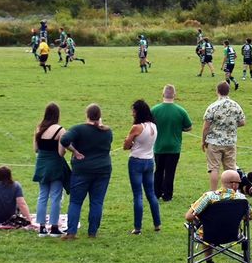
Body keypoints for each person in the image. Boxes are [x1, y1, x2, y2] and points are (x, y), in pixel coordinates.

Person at [61, 104, 114, 239]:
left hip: (82, 170)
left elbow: (64, 139)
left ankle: (71, 232)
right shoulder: (107, 131)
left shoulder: (79, 129)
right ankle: (92, 232)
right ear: (99, 116)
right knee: (97, 202)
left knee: (76, 202)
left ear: (87, 115)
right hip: (103, 169)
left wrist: (75, 151)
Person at [184, 169, 252, 263]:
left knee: (205, 228)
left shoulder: (209, 197)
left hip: (208, 235)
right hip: (233, 235)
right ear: (234, 185)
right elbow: (249, 217)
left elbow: (189, 217)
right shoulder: (242, 199)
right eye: (239, 183)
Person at [123, 99, 161, 234]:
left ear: (138, 112)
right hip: (149, 161)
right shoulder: (153, 126)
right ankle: (157, 224)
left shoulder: (136, 128)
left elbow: (126, 146)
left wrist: (128, 142)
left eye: (133, 111)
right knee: (151, 193)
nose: (132, 113)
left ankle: (138, 227)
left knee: (138, 195)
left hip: (136, 161)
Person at [151, 84, 193, 202]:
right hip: (174, 147)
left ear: (163, 94)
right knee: (170, 171)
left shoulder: (154, 110)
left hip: (159, 146)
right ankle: (167, 195)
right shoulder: (180, 111)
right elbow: (189, 127)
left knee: (158, 170)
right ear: (174, 95)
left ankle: (156, 192)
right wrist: (180, 128)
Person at [202, 81, 246, 190]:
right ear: (228, 91)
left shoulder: (213, 107)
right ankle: (233, 193)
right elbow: (242, 122)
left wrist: (203, 140)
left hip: (214, 142)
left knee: (214, 168)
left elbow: (206, 126)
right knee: (231, 168)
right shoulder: (235, 105)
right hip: (230, 142)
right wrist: (231, 126)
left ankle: (213, 192)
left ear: (217, 91)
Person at [32, 102, 68, 236]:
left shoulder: (38, 128)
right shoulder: (60, 130)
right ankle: (53, 227)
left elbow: (36, 149)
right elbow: (61, 153)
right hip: (55, 165)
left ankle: (41, 227)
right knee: (55, 197)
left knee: (42, 196)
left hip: (41, 164)